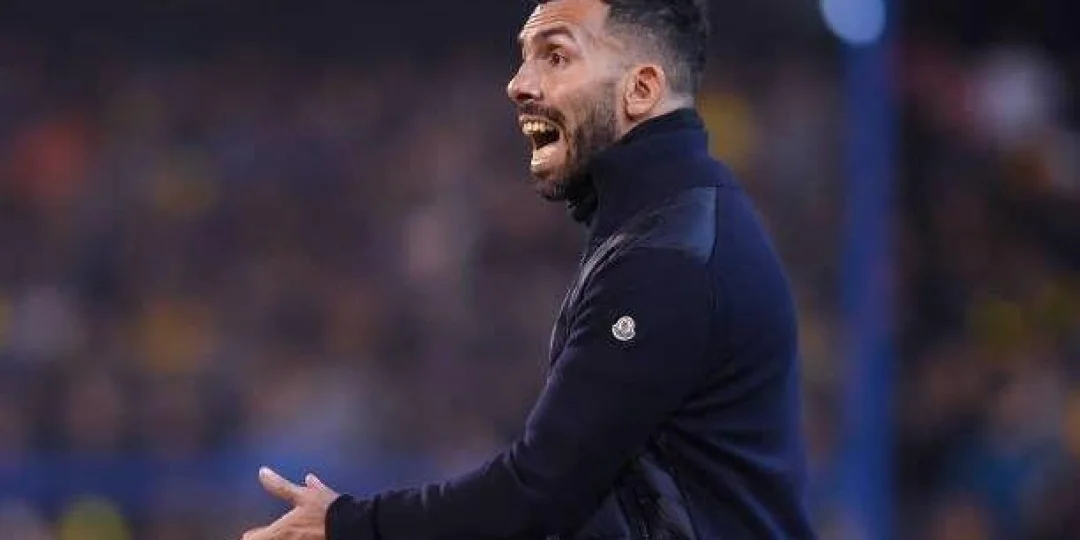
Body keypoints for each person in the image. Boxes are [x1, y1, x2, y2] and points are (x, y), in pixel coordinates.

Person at [240, 0, 815, 538]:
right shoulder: (676, 220)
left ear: (640, 89)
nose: (518, 84)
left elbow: (538, 491)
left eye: (555, 56)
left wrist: (350, 524)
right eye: (525, 56)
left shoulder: (668, 257)